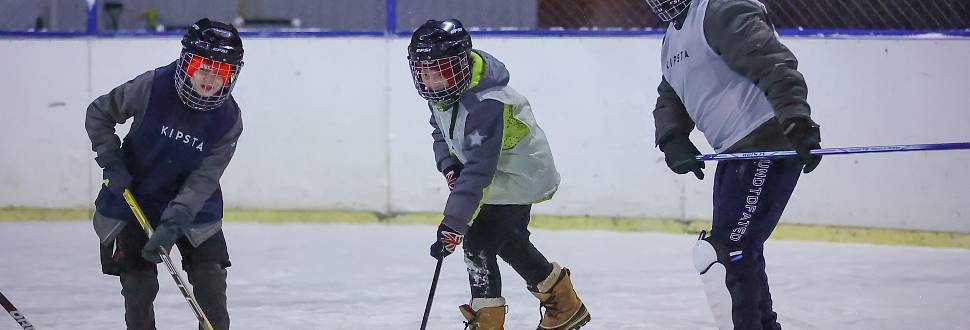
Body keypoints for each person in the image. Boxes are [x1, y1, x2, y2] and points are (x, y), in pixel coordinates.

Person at [645, 0, 823, 328]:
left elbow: (771, 61)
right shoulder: (672, 37)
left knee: (728, 252)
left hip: (766, 142)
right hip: (734, 153)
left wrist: (796, 119)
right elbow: (670, 94)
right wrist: (672, 137)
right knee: (740, 251)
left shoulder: (720, 9)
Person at [408, 19, 591, 330]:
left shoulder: (486, 103)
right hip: (498, 175)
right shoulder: (443, 93)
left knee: (479, 241)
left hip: (519, 175)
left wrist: (453, 224)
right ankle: (564, 304)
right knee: (507, 241)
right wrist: (450, 166)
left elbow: (479, 170)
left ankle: (490, 322)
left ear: (460, 65)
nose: (429, 80)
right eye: (421, 71)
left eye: (437, 70)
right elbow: (440, 133)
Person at [85, 18, 244, 330]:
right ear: (187, 62)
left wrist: (176, 218)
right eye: (203, 65)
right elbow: (99, 113)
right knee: (139, 288)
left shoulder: (229, 120)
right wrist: (110, 160)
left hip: (195, 208)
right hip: (136, 198)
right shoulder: (152, 86)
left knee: (212, 286)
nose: (210, 77)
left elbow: (204, 179)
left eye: (222, 70)